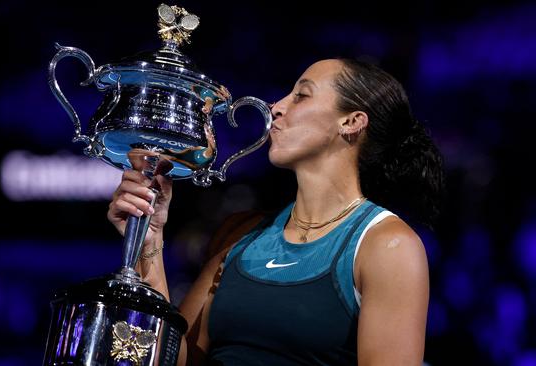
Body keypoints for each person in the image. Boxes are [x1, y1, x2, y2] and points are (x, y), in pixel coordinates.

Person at [108, 58, 444, 365]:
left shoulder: (387, 246)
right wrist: (148, 240)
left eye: (301, 96)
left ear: (351, 122)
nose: (276, 107)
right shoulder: (239, 234)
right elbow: (177, 359)